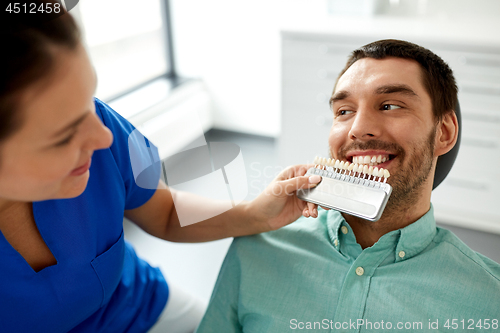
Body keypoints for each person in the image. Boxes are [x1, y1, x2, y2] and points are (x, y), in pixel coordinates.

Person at [0, 4, 324, 333]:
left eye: (90, 103)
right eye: (64, 135)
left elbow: (164, 212)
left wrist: (256, 214)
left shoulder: (100, 130)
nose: (104, 136)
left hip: (139, 307)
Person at [196, 39, 500, 333]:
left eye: (390, 105)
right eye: (344, 111)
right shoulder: (257, 247)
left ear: (444, 132)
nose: (358, 129)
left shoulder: (490, 301)